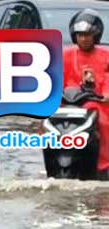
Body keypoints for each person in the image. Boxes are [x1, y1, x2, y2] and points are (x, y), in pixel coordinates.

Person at [63, 8, 109, 179]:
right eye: (80, 34)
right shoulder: (65, 55)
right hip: (67, 103)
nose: (83, 38)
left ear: (95, 35)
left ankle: (103, 166)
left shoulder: (106, 56)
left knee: (103, 123)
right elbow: (54, 80)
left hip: (98, 104)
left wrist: (105, 94)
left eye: (87, 34)